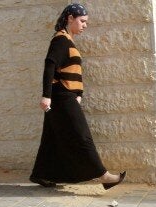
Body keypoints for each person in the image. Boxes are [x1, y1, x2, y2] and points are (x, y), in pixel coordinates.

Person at [30, 3, 126, 190]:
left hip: (66, 95)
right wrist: (46, 96)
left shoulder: (68, 41)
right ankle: (103, 176)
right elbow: (50, 65)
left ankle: (42, 174)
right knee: (82, 136)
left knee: (52, 137)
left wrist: (78, 93)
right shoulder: (60, 40)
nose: (85, 25)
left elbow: (71, 70)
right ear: (70, 18)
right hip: (60, 96)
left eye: (86, 22)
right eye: (82, 21)